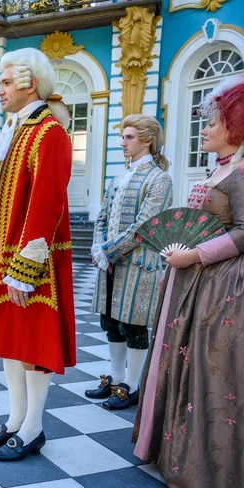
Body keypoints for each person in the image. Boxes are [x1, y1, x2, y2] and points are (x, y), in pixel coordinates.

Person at [133, 75, 244, 488]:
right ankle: (171, 449)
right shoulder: (220, 168)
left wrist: (195, 254)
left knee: (210, 372)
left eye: (212, 122)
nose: (204, 129)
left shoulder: (241, 172)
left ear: (235, 124)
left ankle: (211, 473)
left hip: (221, 289)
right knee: (183, 363)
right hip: (194, 282)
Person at [0, 48, 75, 461]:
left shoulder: (48, 131)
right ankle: (15, 419)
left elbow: (48, 201)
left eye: (6, 82)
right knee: (10, 341)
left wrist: (25, 267)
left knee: (33, 345)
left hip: (30, 260)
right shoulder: (15, 129)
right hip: (3, 257)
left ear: (31, 84)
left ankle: (33, 428)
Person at [88, 115, 173, 410]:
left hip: (138, 265)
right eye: (123, 136)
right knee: (111, 323)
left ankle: (132, 385)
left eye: (129, 137)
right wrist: (98, 247)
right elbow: (102, 217)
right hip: (109, 264)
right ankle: (115, 378)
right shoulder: (119, 176)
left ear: (147, 140)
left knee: (133, 326)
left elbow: (144, 226)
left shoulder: (159, 179)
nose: (123, 142)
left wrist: (108, 252)